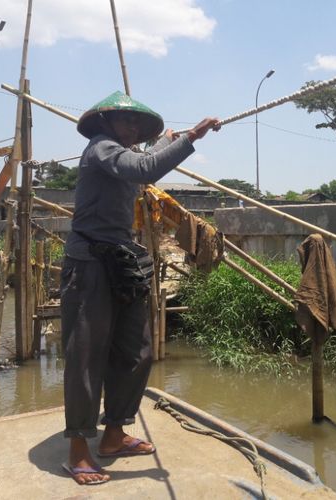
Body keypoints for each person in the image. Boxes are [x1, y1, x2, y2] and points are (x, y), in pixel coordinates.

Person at [60, 91, 220, 485]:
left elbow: (142, 162)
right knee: (86, 354)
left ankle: (114, 434)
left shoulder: (120, 152)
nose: (133, 128)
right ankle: (78, 448)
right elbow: (143, 168)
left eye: (137, 124)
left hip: (123, 260)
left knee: (137, 349)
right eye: (126, 121)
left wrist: (168, 140)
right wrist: (190, 138)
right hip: (90, 263)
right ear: (105, 122)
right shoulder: (100, 149)